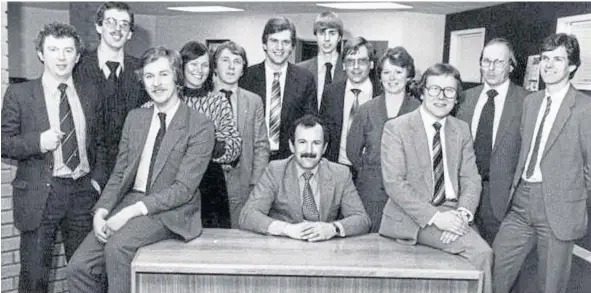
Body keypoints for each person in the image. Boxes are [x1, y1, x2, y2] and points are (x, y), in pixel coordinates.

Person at [67, 46, 215, 293]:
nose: (156, 83)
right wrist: (101, 210)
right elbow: (119, 173)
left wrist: (130, 212)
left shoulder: (199, 125)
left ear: (177, 77)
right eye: (149, 76)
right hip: (130, 201)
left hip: (171, 210)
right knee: (78, 267)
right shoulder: (135, 118)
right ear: (142, 82)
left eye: (163, 74)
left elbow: (183, 189)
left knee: (117, 249)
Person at [1, 22, 108, 293]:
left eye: (68, 50)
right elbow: (4, 142)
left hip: (83, 194)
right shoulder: (20, 94)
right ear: (40, 54)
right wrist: (38, 142)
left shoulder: (91, 93)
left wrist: (96, 181)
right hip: (40, 195)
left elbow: (101, 143)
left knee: (87, 274)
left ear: (78, 56)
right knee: (35, 278)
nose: (61, 57)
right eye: (53, 49)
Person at [379, 63, 492, 293]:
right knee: (482, 253)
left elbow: (471, 178)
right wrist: (436, 218)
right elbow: (395, 184)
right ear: (422, 92)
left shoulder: (461, 129)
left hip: (454, 211)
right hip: (412, 217)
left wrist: (461, 214)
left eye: (449, 91)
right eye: (434, 89)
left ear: (457, 97)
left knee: (474, 261)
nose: (441, 97)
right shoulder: (397, 128)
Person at [493, 33, 591, 293]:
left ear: (571, 66)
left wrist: (572, 199)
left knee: (551, 285)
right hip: (521, 201)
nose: (548, 65)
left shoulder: (585, 109)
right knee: (495, 270)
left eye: (558, 59)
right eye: (545, 58)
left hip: (558, 209)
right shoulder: (531, 102)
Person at [239, 114, 370, 241]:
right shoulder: (275, 170)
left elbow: (362, 219)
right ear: (292, 146)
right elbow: (247, 215)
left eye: (316, 143)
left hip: (325, 250)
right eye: (302, 142)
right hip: (283, 249)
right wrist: (287, 229)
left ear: (324, 148)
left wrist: (333, 228)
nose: (309, 150)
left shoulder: (340, 174)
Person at [456, 38, 528, 245]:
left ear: (511, 66)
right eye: (486, 61)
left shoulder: (526, 101)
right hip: (464, 193)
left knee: (500, 264)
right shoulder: (464, 99)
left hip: (503, 199)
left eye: (499, 62)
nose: (491, 68)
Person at [346, 47, 420, 232]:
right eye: (387, 72)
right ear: (380, 76)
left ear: (408, 75)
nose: (392, 77)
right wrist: (371, 170)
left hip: (408, 194)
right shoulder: (366, 110)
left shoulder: (419, 111)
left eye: (398, 71)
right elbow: (352, 151)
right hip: (371, 192)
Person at [74, 1, 149, 177]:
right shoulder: (77, 68)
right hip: (86, 171)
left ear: (130, 34)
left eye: (124, 24)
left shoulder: (142, 70)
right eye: (111, 22)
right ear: (98, 27)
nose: (118, 29)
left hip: (129, 171)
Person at [174, 40, 242, 228]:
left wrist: (202, 147)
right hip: (174, 180)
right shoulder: (170, 100)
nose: (199, 70)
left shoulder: (218, 101)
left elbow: (234, 146)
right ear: (182, 66)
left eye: (204, 65)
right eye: (193, 64)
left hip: (210, 183)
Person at [239, 16, 317, 161]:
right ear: (264, 44)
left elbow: (309, 122)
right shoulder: (246, 78)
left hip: (289, 159)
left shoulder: (305, 79)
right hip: (251, 159)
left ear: (292, 47)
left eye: (285, 42)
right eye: (274, 41)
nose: (279, 47)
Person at [212, 41, 270, 228]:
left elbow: (261, 145)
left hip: (243, 181)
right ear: (215, 65)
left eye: (237, 61)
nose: (231, 67)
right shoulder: (203, 99)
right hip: (210, 180)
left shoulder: (253, 101)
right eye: (225, 60)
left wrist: (255, 183)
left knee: (240, 234)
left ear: (243, 69)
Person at [320, 36, 377, 169]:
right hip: (335, 169)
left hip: (369, 173)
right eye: (350, 61)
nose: (356, 67)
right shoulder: (330, 93)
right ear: (344, 65)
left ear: (371, 64)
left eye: (362, 61)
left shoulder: (381, 95)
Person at [297, 11, 346, 109]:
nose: (326, 39)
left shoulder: (348, 70)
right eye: (322, 33)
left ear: (340, 37)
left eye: (332, 33)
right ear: (316, 36)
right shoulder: (300, 70)